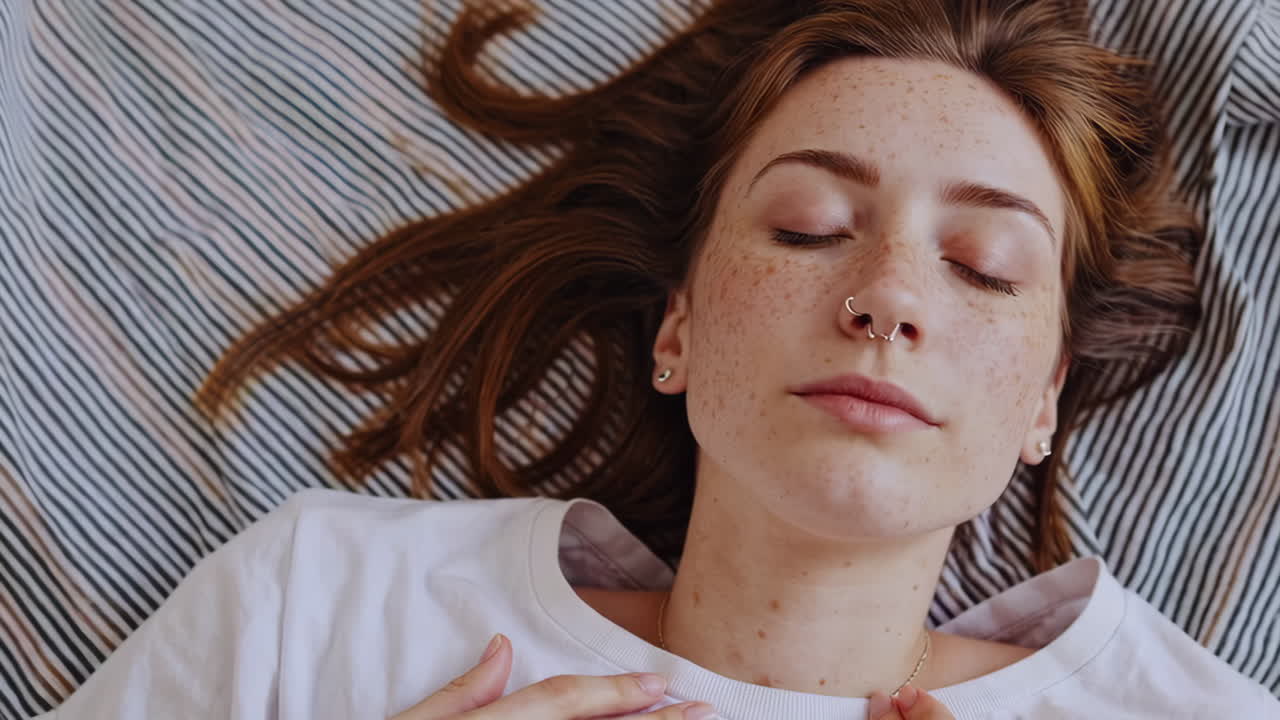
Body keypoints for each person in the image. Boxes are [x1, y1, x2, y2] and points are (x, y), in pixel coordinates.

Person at [35, 0, 1280, 718]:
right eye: (806, 228)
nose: (888, 296)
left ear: (1044, 398)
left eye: (983, 266)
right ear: (675, 327)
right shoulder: (323, 603)